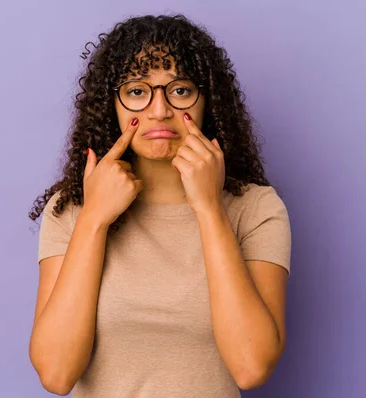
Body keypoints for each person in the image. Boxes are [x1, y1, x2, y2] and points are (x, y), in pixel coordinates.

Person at [27, 14, 291, 398]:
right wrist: (95, 219)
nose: (158, 110)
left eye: (179, 90)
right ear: (111, 105)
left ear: (208, 101)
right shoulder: (70, 209)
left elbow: (251, 368)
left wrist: (210, 209)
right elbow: (56, 374)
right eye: (137, 91)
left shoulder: (256, 208)